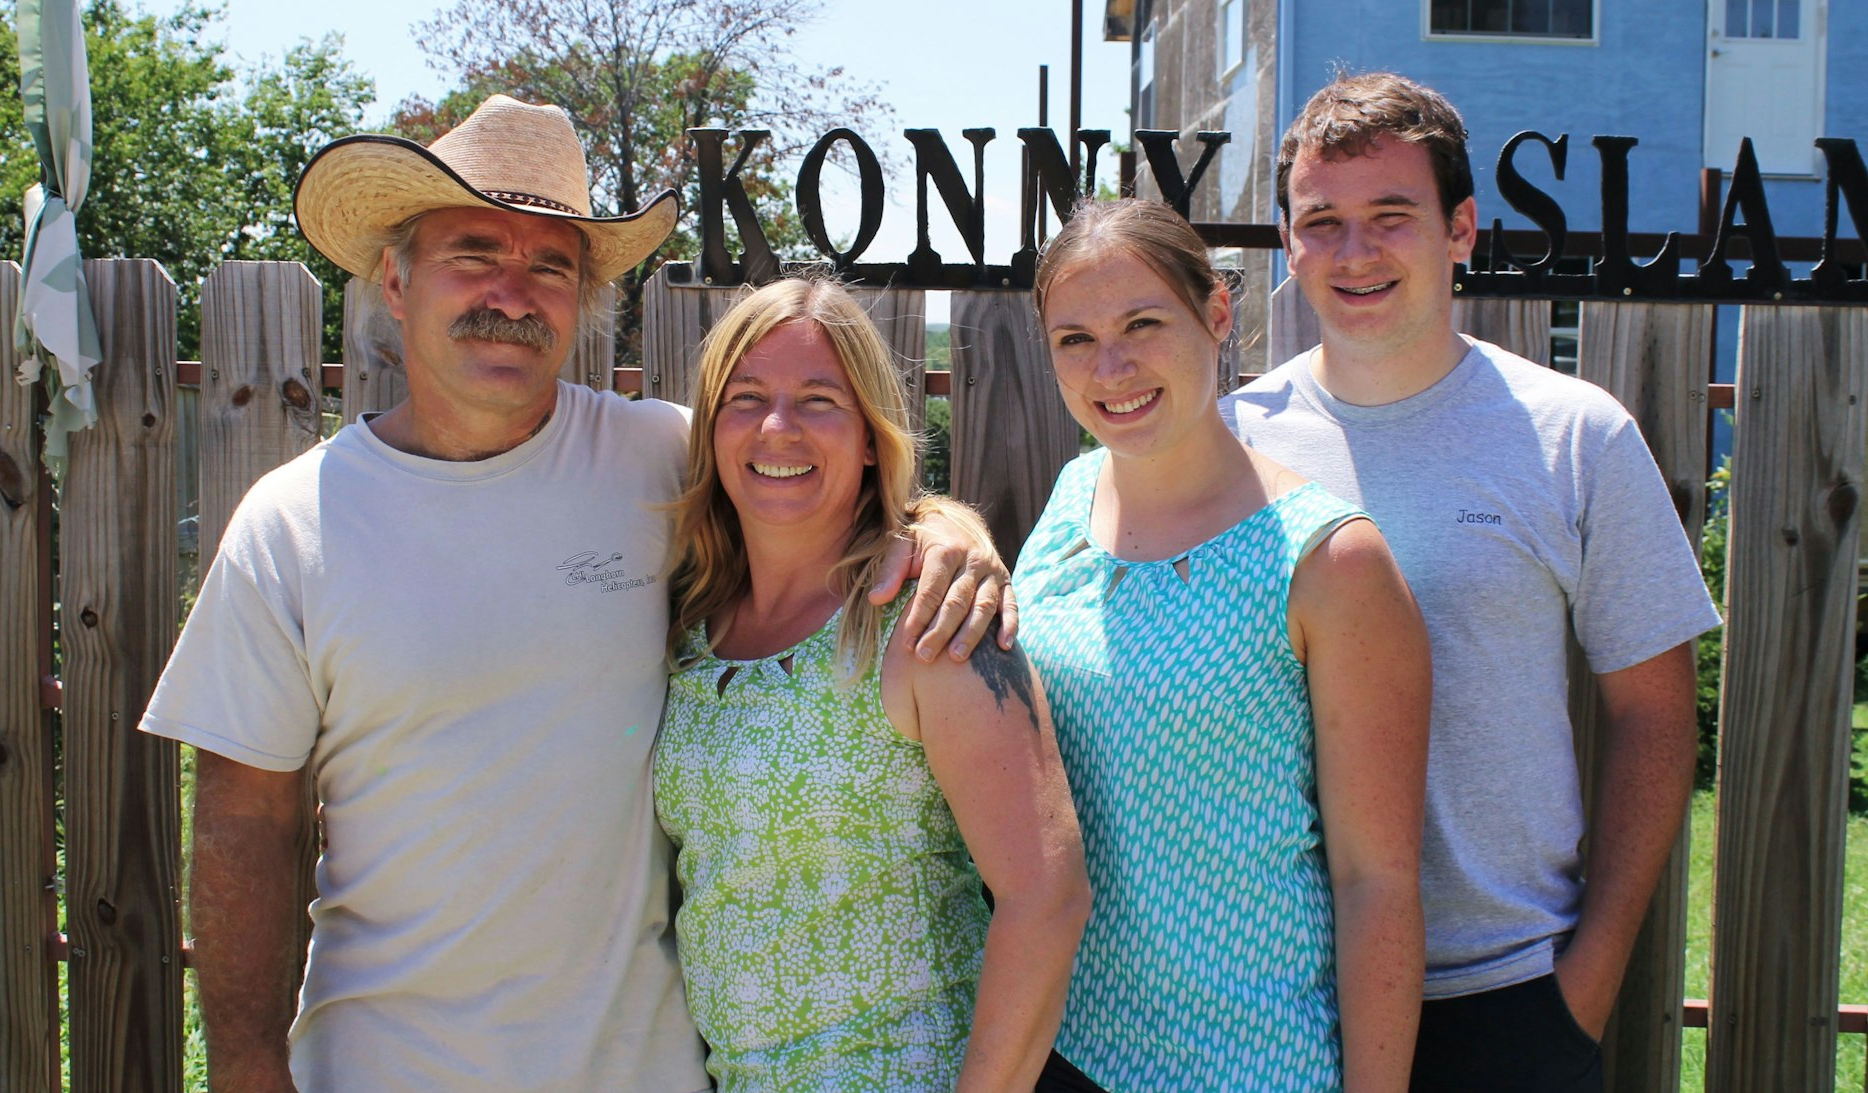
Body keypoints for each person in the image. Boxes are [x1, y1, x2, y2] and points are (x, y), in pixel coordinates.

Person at [140, 95, 1013, 1092]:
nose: (511, 292)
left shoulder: (655, 461)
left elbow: (817, 477)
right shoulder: (292, 525)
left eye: (549, 265)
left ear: (580, 299)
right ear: (395, 276)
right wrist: (248, 1071)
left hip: (641, 1069)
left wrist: (947, 532)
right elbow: (244, 825)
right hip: (380, 1065)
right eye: (473, 252)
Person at [1224, 72, 1721, 1092]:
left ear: (1459, 230)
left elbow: (1655, 715)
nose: (1353, 253)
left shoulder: (1572, 436)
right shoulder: (1229, 444)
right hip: (1273, 995)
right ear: (1287, 243)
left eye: (1389, 217)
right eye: (1321, 222)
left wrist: (1584, 978)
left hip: (1503, 1003)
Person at [1016, 198, 1431, 1092]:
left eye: (1141, 323)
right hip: (1069, 1048)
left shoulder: (1329, 560)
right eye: (1074, 339)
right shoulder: (1065, 504)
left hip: (1251, 1061)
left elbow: (1378, 881)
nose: (1111, 366)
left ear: (1215, 315)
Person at [653, 276, 1091, 1092]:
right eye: (745, 397)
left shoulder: (928, 622)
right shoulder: (690, 625)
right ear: (710, 428)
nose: (777, 426)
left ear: (867, 436)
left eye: (819, 399)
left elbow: (1049, 896)